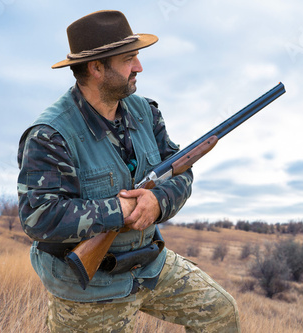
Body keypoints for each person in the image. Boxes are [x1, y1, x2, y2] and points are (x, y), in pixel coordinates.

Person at [17, 10, 240, 332]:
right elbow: (39, 217)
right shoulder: (50, 135)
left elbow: (181, 170)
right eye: (129, 59)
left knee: (220, 312)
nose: (139, 67)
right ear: (96, 68)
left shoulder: (145, 112)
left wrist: (157, 202)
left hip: (148, 261)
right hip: (89, 284)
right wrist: (123, 210)